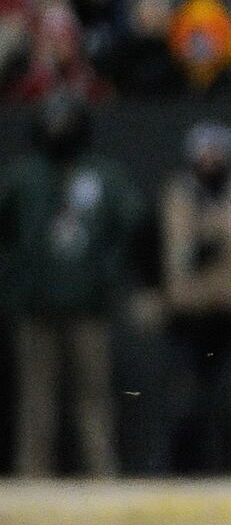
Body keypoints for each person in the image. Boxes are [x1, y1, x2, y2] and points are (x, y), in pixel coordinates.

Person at [0, 92, 143, 476]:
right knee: (36, 401)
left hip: (89, 308)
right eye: (51, 119)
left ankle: (101, 476)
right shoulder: (22, 177)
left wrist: (107, 276)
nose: (58, 127)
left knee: (94, 400)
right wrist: (15, 283)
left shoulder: (103, 176)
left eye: (66, 119)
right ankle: (33, 478)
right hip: (35, 308)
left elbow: (131, 228)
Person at [142, 123, 231, 473]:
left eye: (217, 153)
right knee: (183, 400)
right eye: (203, 154)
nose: (210, 161)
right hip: (187, 317)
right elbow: (148, 244)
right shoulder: (174, 195)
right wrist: (148, 290)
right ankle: (177, 474)